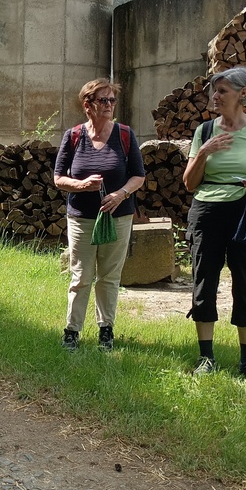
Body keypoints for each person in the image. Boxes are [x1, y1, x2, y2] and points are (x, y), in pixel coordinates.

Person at [182, 66, 246, 377]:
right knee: (204, 282)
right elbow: (189, 184)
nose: (215, 96)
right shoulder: (204, 131)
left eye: (222, 90)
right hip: (207, 212)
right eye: (214, 90)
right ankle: (206, 358)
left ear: (243, 94)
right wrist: (203, 153)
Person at [53, 79, 145, 352]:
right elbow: (58, 178)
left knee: (109, 276)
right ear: (87, 105)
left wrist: (120, 194)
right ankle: (72, 332)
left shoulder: (125, 135)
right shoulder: (74, 136)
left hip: (118, 216)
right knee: (81, 276)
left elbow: (138, 176)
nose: (108, 106)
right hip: (81, 217)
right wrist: (80, 186)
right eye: (102, 101)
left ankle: (106, 330)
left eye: (112, 101)